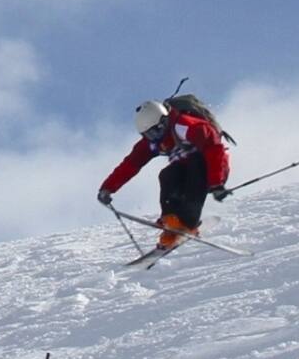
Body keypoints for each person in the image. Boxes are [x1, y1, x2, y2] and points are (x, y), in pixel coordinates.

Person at [97, 100, 232, 250]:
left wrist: (216, 183)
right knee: (167, 174)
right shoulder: (153, 142)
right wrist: (107, 188)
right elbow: (130, 164)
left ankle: (188, 223)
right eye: (148, 134)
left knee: (195, 163)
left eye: (155, 131)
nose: (154, 137)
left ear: (163, 122)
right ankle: (171, 222)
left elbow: (214, 148)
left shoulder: (183, 126)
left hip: (211, 168)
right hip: (186, 173)